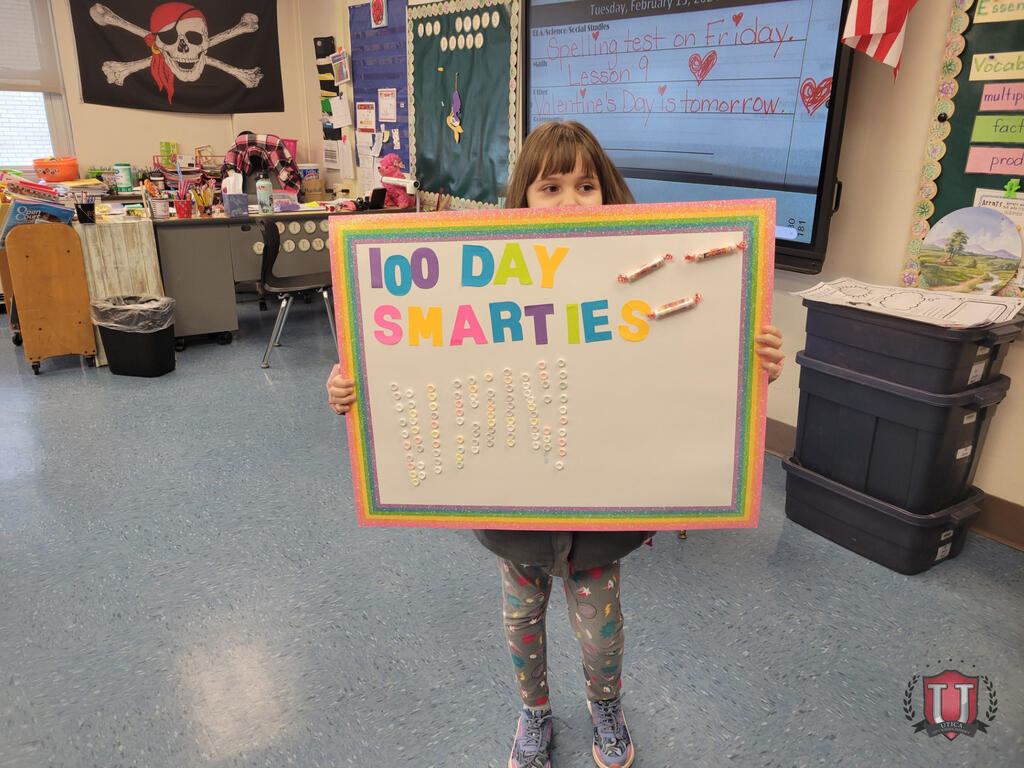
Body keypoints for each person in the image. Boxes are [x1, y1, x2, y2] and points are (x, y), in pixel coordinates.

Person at [327, 121, 784, 768]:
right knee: (520, 622)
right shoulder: (486, 281)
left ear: (607, 193)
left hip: (599, 514)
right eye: (550, 187)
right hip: (517, 509)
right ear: (523, 198)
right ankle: (534, 713)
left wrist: (750, 363)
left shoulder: (636, 277)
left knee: (601, 634)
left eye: (585, 185)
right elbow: (419, 357)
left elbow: (690, 360)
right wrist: (353, 386)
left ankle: (605, 706)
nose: (570, 200)